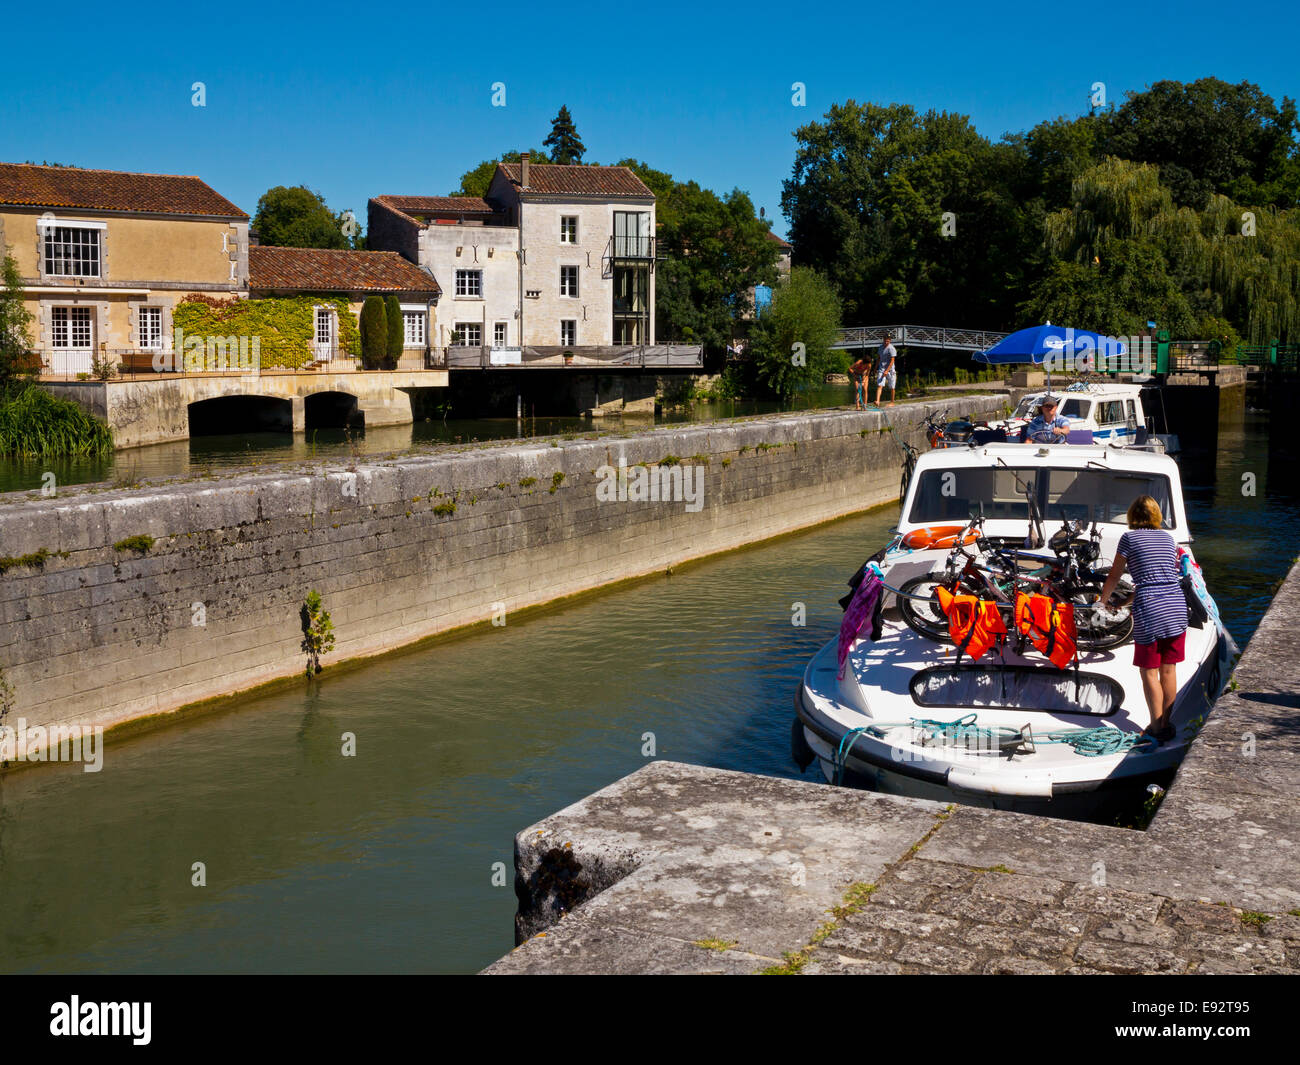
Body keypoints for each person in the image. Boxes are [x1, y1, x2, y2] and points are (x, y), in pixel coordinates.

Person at [1097, 496, 1187, 743]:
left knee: (1150, 671)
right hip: (1176, 605)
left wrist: (1102, 601)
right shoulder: (1169, 539)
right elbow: (1158, 578)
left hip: (1151, 608)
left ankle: (1155, 729)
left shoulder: (1129, 538)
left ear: (1132, 515)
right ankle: (1165, 725)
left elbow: (1115, 574)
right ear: (1156, 516)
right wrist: (1123, 602)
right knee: (1169, 669)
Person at [875, 334, 898, 407]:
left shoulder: (891, 348)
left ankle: (892, 402)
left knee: (892, 387)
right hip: (882, 368)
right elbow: (878, 358)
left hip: (890, 370)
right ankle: (877, 401)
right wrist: (875, 367)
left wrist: (887, 371)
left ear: (890, 340)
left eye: (888, 340)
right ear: (883, 339)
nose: (886, 342)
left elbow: (892, 361)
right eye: (885, 340)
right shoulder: (880, 347)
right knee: (879, 385)